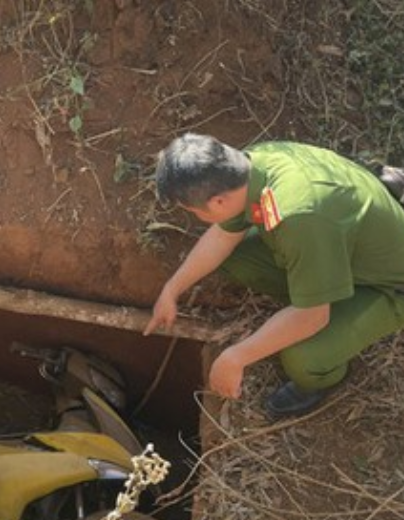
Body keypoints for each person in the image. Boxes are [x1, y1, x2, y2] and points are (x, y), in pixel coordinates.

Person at [143, 133, 404, 417]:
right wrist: (172, 290)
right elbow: (222, 238)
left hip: (386, 284)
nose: (195, 217)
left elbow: (313, 317)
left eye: (193, 211)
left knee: (303, 357)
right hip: (336, 248)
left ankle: (323, 378)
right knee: (237, 256)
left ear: (218, 202)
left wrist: (234, 358)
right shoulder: (249, 166)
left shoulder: (300, 216)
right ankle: (315, 289)